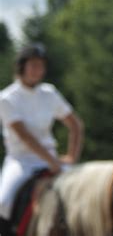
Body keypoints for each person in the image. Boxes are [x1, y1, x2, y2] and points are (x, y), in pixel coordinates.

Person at [0, 44, 84, 234]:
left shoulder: (49, 92)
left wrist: (71, 157)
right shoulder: (6, 99)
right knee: (3, 201)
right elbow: (25, 137)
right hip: (21, 162)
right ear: (22, 66)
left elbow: (76, 125)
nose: (39, 70)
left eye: (41, 65)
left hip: (52, 160)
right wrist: (52, 162)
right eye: (33, 65)